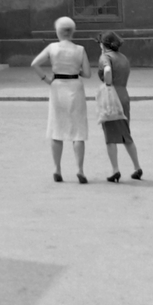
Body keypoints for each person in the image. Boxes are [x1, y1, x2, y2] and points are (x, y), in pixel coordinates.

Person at [31, 16, 92, 183]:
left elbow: (34, 63)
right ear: (73, 32)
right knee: (78, 130)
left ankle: (57, 169)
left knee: (57, 128)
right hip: (75, 86)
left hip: (57, 86)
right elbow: (87, 74)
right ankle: (79, 169)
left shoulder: (52, 47)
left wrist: (46, 79)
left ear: (57, 32)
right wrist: (75, 70)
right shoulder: (80, 49)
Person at [96, 31, 142, 182]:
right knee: (126, 134)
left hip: (111, 96)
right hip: (123, 94)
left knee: (110, 137)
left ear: (104, 44)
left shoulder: (105, 57)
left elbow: (107, 70)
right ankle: (137, 167)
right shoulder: (123, 58)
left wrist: (108, 83)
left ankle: (115, 169)